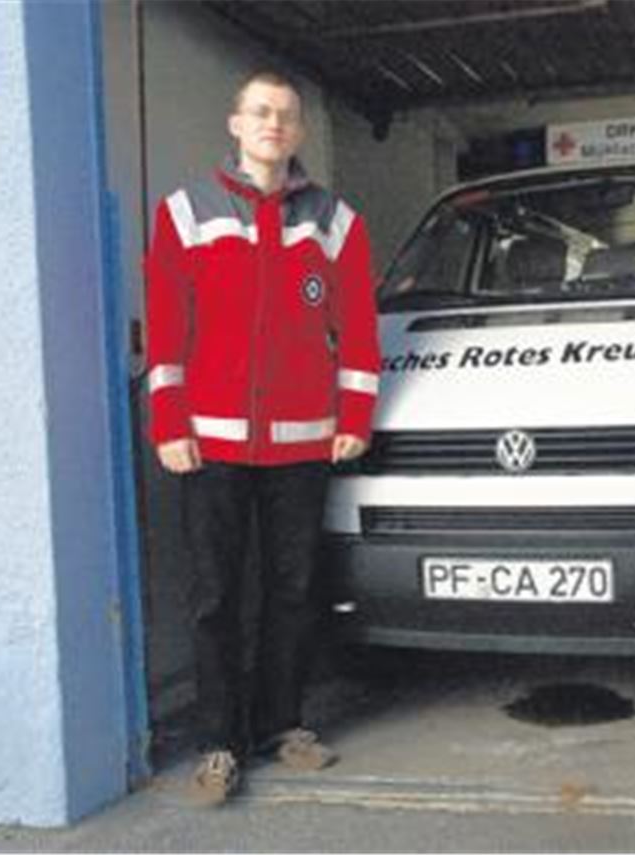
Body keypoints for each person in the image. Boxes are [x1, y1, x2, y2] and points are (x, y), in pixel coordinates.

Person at [144, 70, 380, 805]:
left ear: (300, 131)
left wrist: (354, 417)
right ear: (236, 124)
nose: (273, 123)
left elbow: (359, 328)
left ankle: (282, 723)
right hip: (209, 444)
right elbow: (167, 325)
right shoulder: (185, 213)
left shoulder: (334, 221)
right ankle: (219, 743)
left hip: (304, 444)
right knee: (216, 597)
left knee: (293, 590)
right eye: (260, 112)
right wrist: (169, 421)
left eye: (286, 114)